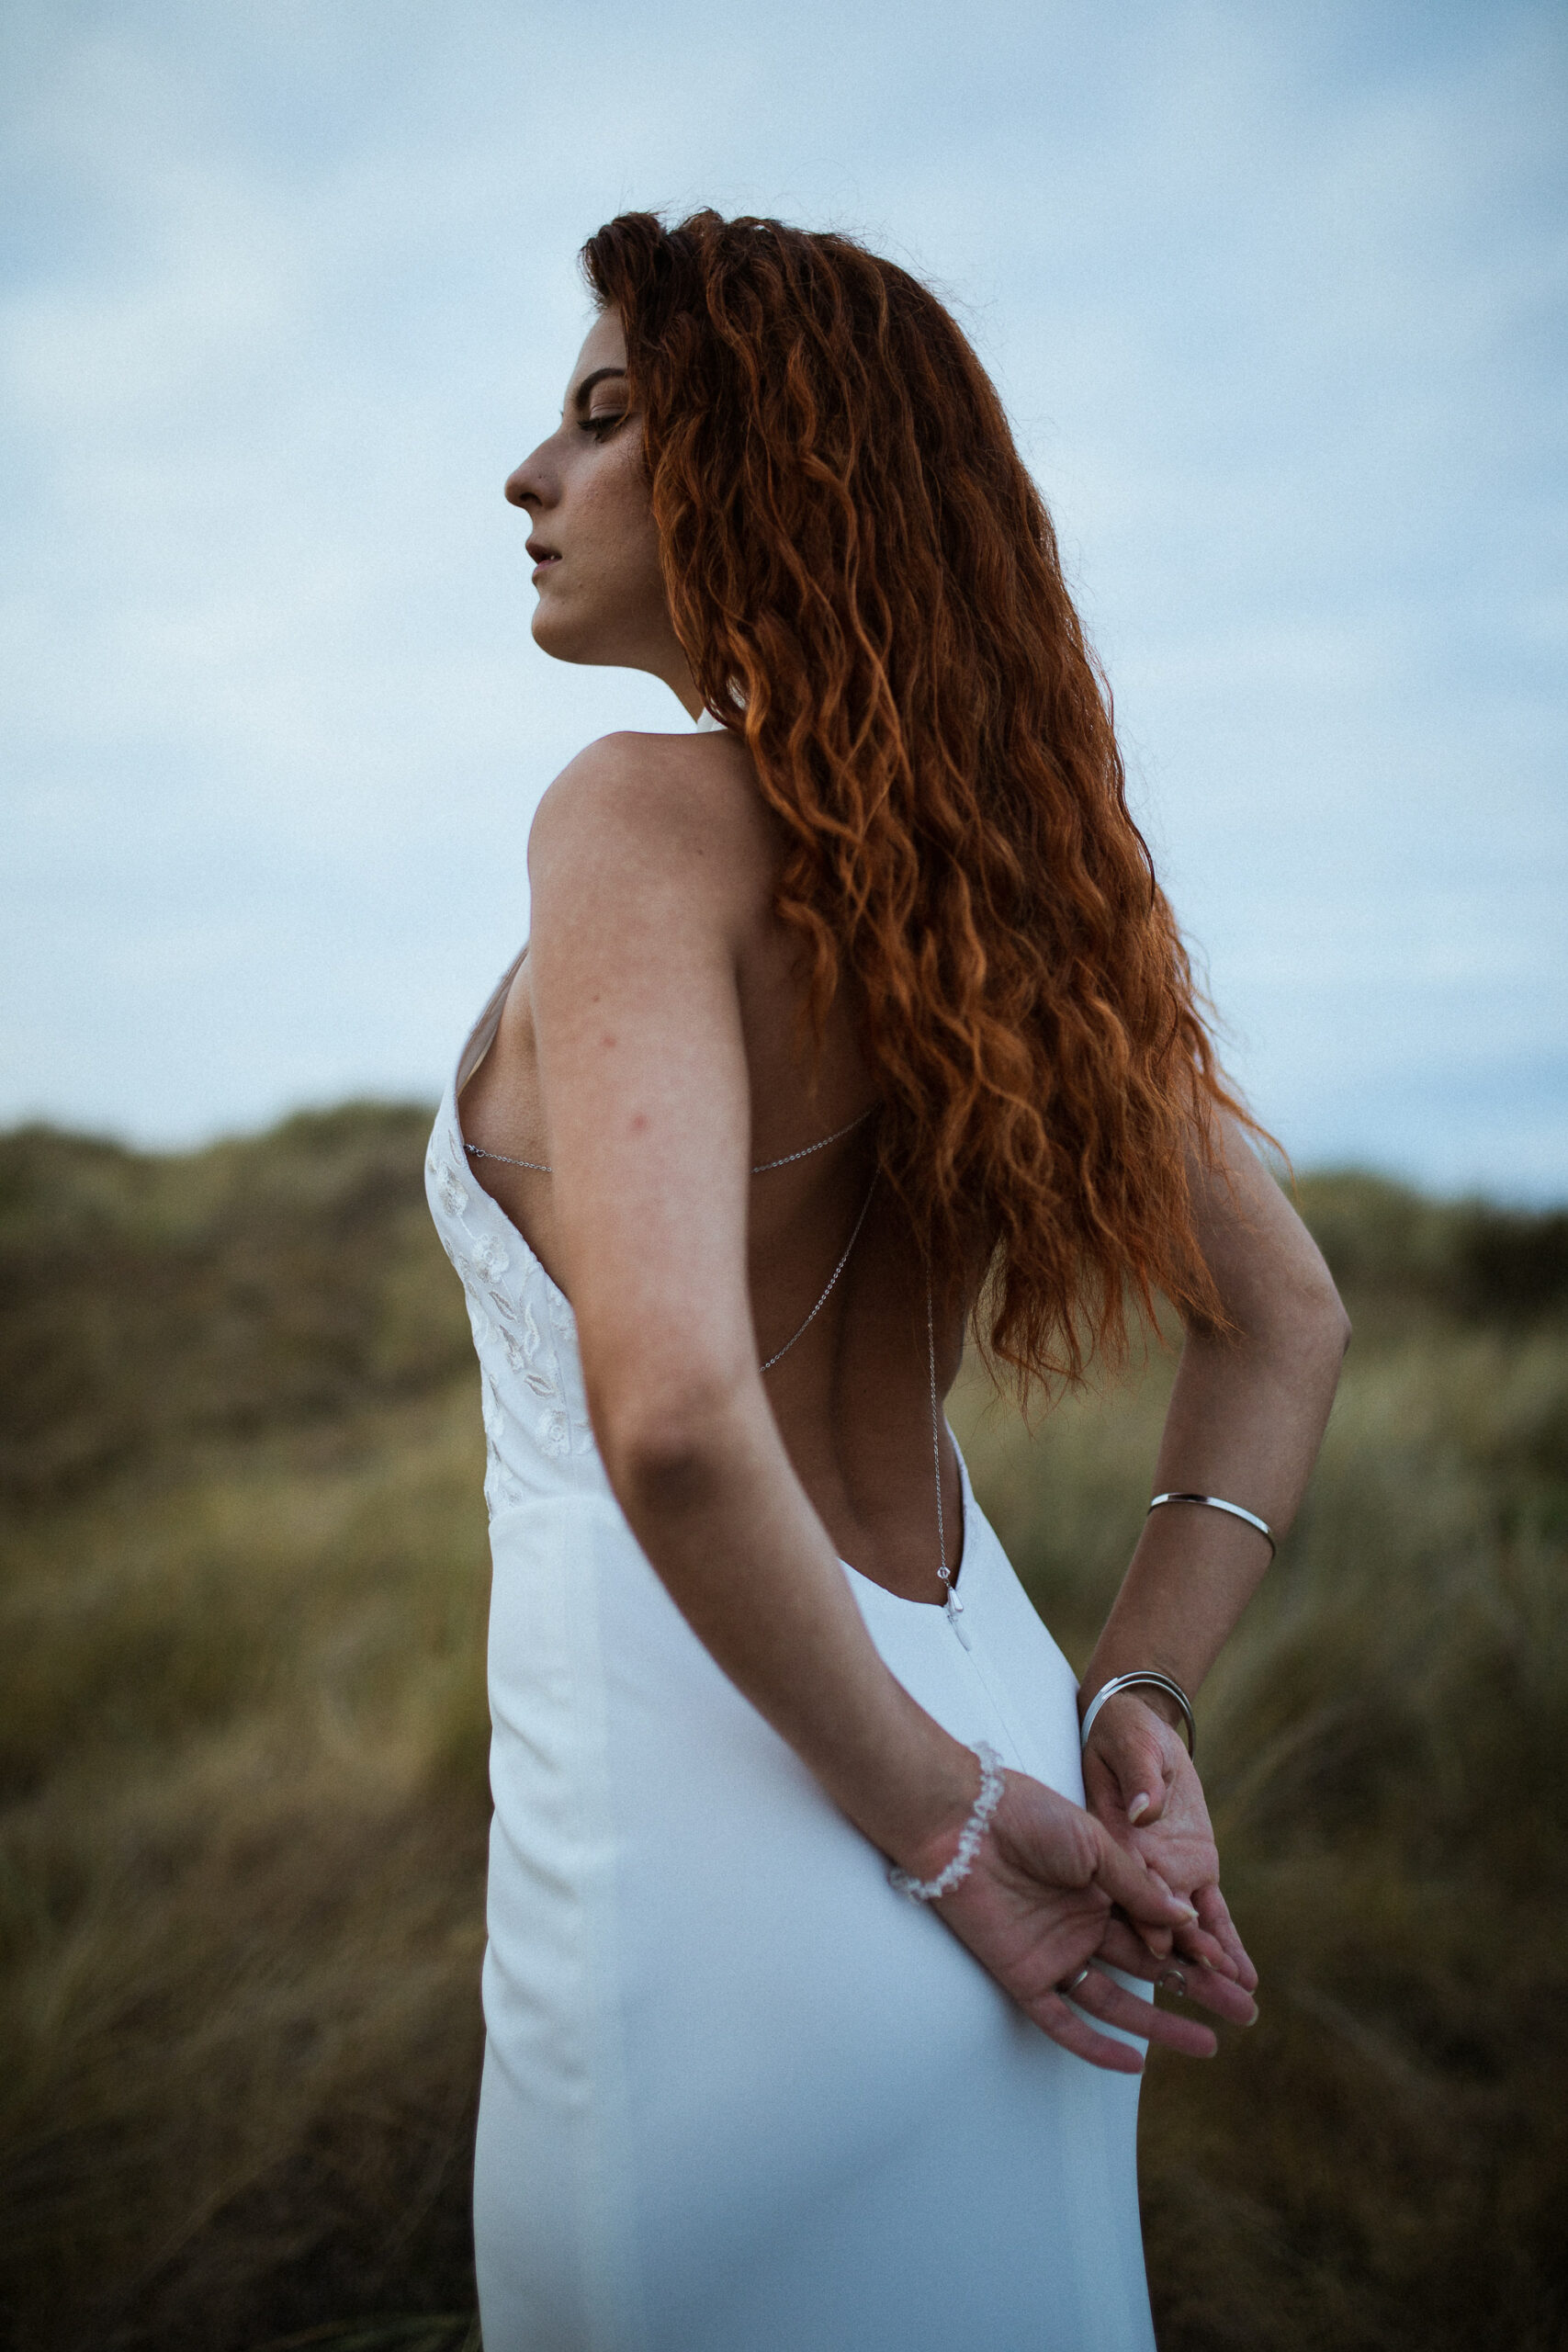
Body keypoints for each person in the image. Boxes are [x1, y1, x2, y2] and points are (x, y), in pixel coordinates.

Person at [425, 209, 1349, 2352]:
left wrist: (936, 1833)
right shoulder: (999, 889)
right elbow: (1284, 1313)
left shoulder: (633, 818)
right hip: (1011, 1738)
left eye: (601, 418)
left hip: (742, 1819)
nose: (526, 476)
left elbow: (663, 1413)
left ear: (769, 465)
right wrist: (1133, 1691)